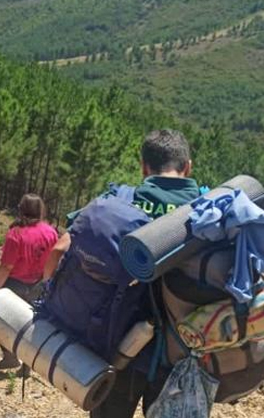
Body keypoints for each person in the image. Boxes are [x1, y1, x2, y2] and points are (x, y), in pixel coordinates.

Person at [44, 129, 203, 418]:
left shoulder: (120, 199)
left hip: (122, 351)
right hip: (185, 359)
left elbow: (59, 249)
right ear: (187, 167)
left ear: (144, 166)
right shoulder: (211, 210)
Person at [0, 193, 58, 370]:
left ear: (21, 209)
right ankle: (28, 363)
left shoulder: (15, 234)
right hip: (40, 283)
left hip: (14, 285)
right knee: (32, 325)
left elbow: (6, 267)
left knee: (0, 319)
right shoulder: (50, 232)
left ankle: (10, 356)